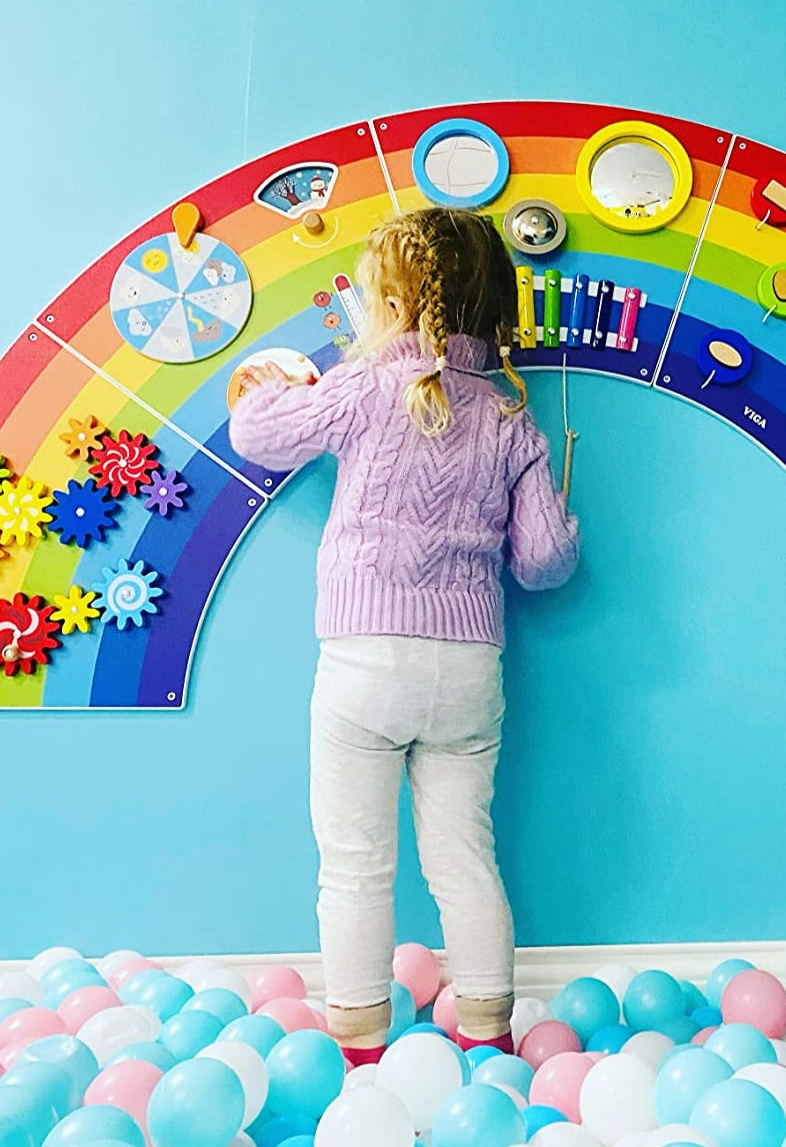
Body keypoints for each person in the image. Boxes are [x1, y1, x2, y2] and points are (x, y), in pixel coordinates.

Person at [229, 207, 580, 1063]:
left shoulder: (363, 387)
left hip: (362, 661)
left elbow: (256, 434)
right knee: (464, 858)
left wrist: (266, 379)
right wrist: (564, 524)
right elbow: (542, 564)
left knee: (353, 864)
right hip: (468, 670)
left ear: (388, 301)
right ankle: (489, 1038)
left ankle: (360, 1055)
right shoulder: (509, 419)